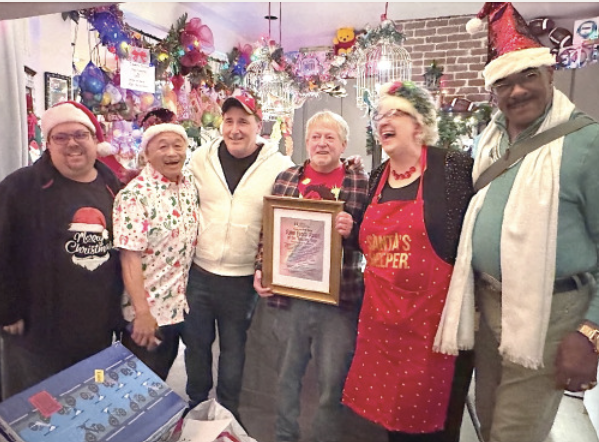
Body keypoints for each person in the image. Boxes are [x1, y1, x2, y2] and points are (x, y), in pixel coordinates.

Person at [434, 4, 599, 442]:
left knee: (514, 433)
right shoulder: (490, 141)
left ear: (550, 74)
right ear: (493, 91)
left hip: (553, 313)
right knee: (490, 419)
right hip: (491, 306)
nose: (518, 90)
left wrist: (591, 331)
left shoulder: (587, 143)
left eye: (528, 76)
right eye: (504, 82)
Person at [341, 81, 474, 442]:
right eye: (378, 116)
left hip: (432, 331)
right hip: (382, 326)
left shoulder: (452, 168)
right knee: (392, 425)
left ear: (418, 124)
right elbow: (372, 245)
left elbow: (473, 236)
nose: (382, 121)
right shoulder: (377, 177)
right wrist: (350, 231)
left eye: (393, 113)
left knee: (431, 430)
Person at [253, 110, 369, 442]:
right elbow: (269, 230)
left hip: (340, 299)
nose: (322, 143)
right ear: (306, 142)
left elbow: (373, 236)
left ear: (343, 145)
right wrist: (262, 267)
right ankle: (284, 436)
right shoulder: (286, 179)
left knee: (333, 381)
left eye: (330, 137)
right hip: (290, 297)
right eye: (316, 136)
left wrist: (354, 229)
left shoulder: (360, 183)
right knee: (286, 377)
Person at [0, 101, 124, 399]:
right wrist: (7, 308)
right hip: (36, 328)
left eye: (80, 135)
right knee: (35, 406)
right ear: (48, 143)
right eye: (61, 137)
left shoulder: (111, 185)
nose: (72, 143)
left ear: (95, 140)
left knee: (86, 399)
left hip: (95, 325)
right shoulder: (21, 186)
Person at [185, 88, 294, 420]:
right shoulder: (200, 158)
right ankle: (195, 406)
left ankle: (227, 414)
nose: (234, 129)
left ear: (258, 124)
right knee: (196, 345)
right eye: (228, 121)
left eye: (243, 122)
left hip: (243, 278)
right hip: (199, 274)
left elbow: (287, 222)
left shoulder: (280, 166)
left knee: (233, 350)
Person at [113, 122, 199, 380]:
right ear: (147, 154)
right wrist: (142, 313)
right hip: (148, 315)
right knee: (140, 389)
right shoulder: (135, 195)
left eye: (178, 146)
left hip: (178, 309)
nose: (172, 153)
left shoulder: (188, 186)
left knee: (161, 384)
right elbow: (129, 258)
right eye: (162, 147)